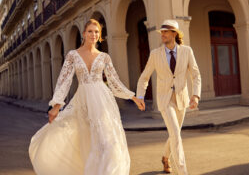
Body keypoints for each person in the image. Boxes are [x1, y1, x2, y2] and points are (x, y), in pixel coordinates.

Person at [29, 19, 144, 175]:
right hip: (83, 101)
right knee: (88, 142)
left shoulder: (104, 57)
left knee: (108, 141)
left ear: (100, 35)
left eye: (96, 32)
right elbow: (64, 81)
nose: (93, 34)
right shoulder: (72, 55)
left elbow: (114, 81)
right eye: (90, 31)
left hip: (103, 101)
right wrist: (56, 106)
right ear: (83, 34)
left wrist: (133, 97)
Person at [136, 19, 201, 175]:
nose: (162, 34)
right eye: (162, 32)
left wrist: (196, 95)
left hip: (182, 98)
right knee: (176, 136)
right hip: (165, 99)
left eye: (166, 31)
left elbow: (195, 74)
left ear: (174, 33)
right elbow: (144, 77)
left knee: (174, 133)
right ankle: (183, 172)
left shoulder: (187, 51)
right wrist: (140, 96)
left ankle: (165, 158)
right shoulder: (155, 54)